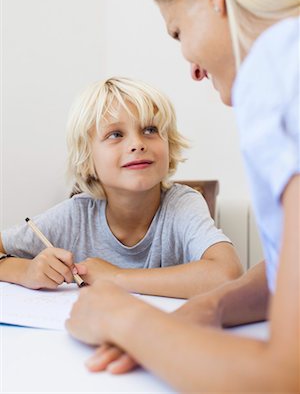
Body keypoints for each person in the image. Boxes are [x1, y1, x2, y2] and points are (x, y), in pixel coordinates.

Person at [66, 0, 300, 392]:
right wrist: (210, 308)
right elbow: (284, 265)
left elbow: (285, 376)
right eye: (113, 135)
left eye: (178, 32)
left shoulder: (278, 66)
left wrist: (125, 317)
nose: (192, 69)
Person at [0, 76, 242, 296]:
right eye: (115, 134)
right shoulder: (75, 215)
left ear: (169, 146)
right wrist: (25, 270)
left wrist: (115, 276)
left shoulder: (182, 205)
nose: (137, 144)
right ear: (88, 160)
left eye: (150, 130)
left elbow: (226, 275)